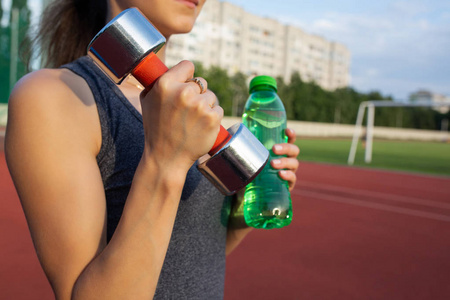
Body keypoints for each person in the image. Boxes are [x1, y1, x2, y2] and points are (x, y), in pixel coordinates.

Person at [5, 0, 300, 299]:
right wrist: (165, 162)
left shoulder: (187, 107)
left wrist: (247, 203)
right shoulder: (53, 96)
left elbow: (190, 257)